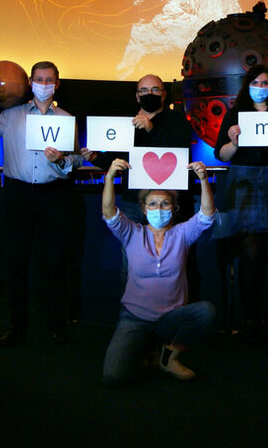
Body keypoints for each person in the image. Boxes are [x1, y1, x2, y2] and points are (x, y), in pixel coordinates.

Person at [0, 61, 83, 346]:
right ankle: (17, 327)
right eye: (39, 79)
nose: (44, 84)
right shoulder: (10, 116)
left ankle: (57, 324)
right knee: (17, 262)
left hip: (54, 195)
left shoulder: (67, 118)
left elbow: (77, 159)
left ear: (57, 83)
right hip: (17, 195)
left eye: (49, 79)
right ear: (30, 82)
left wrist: (63, 160)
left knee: (55, 262)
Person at [101, 158, 216, 385]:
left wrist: (203, 179)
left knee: (205, 311)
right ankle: (146, 349)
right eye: (152, 204)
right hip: (135, 318)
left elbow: (207, 215)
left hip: (171, 318)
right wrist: (110, 177)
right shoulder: (131, 232)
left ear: (173, 208)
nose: (159, 209)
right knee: (113, 377)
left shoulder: (183, 233)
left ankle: (168, 355)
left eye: (164, 204)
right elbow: (109, 212)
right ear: (143, 209)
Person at [213, 64, 268, 342]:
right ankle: (249, 317)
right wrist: (234, 141)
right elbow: (222, 155)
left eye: (265, 83)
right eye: (256, 82)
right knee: (250, 252)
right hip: (244, 179)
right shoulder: (235, 114)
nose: (261, 87)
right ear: (247, 84)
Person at [85, 74, 194, 223]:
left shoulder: (178, 119)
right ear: (137, 96)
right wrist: (95, 158)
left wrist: (151, 128)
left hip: (169, 201)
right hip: (133, 201)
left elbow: (180, 149)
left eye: (155, 89)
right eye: (144, 90)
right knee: (134, 245)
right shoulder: (126, 122)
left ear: (163, 94)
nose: (149, 94)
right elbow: (117, 160)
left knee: (170, 245)